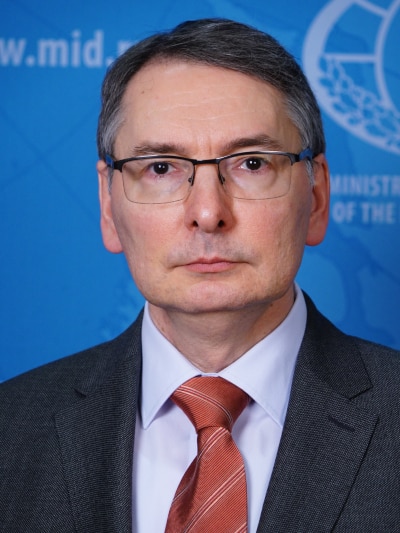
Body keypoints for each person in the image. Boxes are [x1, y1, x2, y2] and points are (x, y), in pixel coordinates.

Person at [1, 18, 399, 533]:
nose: (208, 212)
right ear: (107, 204)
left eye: (252, 163)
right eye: (161, 167)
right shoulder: (12, 431)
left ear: (317, 196)